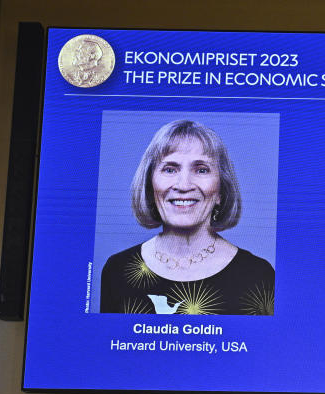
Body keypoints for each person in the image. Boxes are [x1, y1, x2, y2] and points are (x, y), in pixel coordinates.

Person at [100, 120, 274, 315]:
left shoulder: (258, 276)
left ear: (221, 191)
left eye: (201, 170)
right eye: (170, 169)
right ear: (150, 186)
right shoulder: (117, 271)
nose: (183, 185)